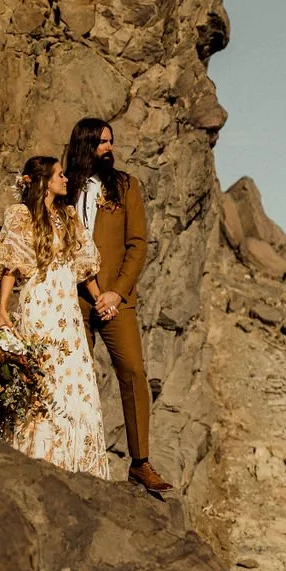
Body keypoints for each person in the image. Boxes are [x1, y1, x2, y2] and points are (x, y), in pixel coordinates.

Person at [65, 117, 173, 496]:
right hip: (71, 296)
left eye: (110, 141)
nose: (108, 148)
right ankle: (71, 455)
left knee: (132, 370)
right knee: (73, 375)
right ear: (84, 145)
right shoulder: (64, 186)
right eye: (101, 143)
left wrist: (116, 293)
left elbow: (137, 244)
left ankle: (140, 462)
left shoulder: (126, 186)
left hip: (116, 299)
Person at [0, 155, 109, 480]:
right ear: (43, 180)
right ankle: (38, 461)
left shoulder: (69, 216)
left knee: (75, 384)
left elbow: (85, 269)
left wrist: (100, 300)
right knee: (43, 382)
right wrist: (2, 309)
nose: (66, 179)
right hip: (39, 305)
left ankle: (77, 464)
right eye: (60, 174)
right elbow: (11, 264)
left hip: (67, 310)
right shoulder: (22, 215)